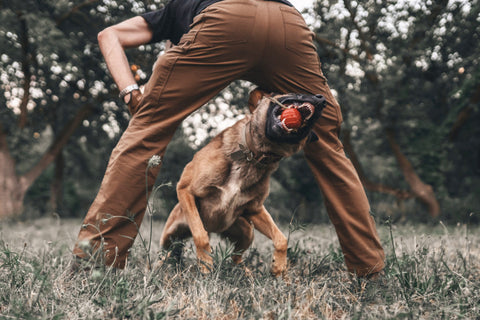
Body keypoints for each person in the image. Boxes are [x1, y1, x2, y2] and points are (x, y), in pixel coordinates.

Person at [72, 0, 385, 278]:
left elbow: (108, 35)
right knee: (326, 143)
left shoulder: (174, 11)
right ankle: (368, 267)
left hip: (221, 21)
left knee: (145, 134)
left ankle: (95, 263)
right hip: (288, 23)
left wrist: (131, 92)